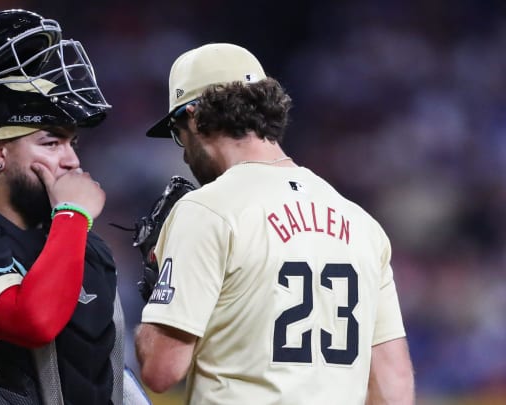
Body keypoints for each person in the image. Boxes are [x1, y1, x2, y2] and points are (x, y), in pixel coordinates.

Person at [134, 43, 415, 404]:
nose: (184, 151)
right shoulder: (360, 223)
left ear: (193, 116)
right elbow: (393, 380)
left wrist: (158, 304)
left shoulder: (206, 210)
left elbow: (162, 369)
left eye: (177, 132)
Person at [0, 10, 149, 405]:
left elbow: (104, 374)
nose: (71, 160)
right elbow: (33, 321)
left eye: (73, 143)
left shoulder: (87, 250)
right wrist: (72, 215)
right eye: (51, 143)